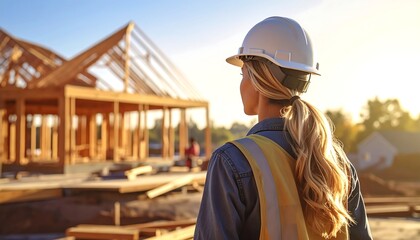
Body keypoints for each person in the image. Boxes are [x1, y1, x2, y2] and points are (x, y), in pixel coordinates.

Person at [194, 17, 372, 239]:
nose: (241, 84)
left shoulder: (232, 161)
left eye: (243, 74)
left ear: (257, 77)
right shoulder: (336, 163)